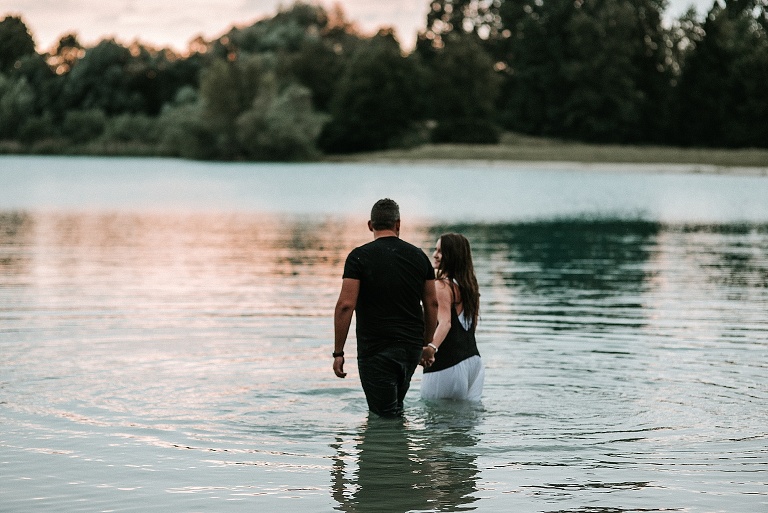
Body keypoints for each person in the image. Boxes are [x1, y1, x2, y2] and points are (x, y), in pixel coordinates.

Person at [333, 198, 438, 417]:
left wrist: (338, 352)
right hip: (410, 348)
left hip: (375, 349)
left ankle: (388, 449)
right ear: (398, 224)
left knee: (384, 416)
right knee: (395, 408)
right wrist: (426, 344)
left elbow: (345, 305)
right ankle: (400, 449)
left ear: (370, 225)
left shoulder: (358, 257)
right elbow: (432, 303)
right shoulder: (419, 257)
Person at [420, 233, 484, 401]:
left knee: (434, 424)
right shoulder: (469, 286)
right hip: (474, 363)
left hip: (446, 366)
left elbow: (446, 323)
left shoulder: (441, 286)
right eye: (435, 250)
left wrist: (430, 349)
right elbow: (473, 324)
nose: (435, 255)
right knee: (466, 424)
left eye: (440, 251)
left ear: (452, 255)